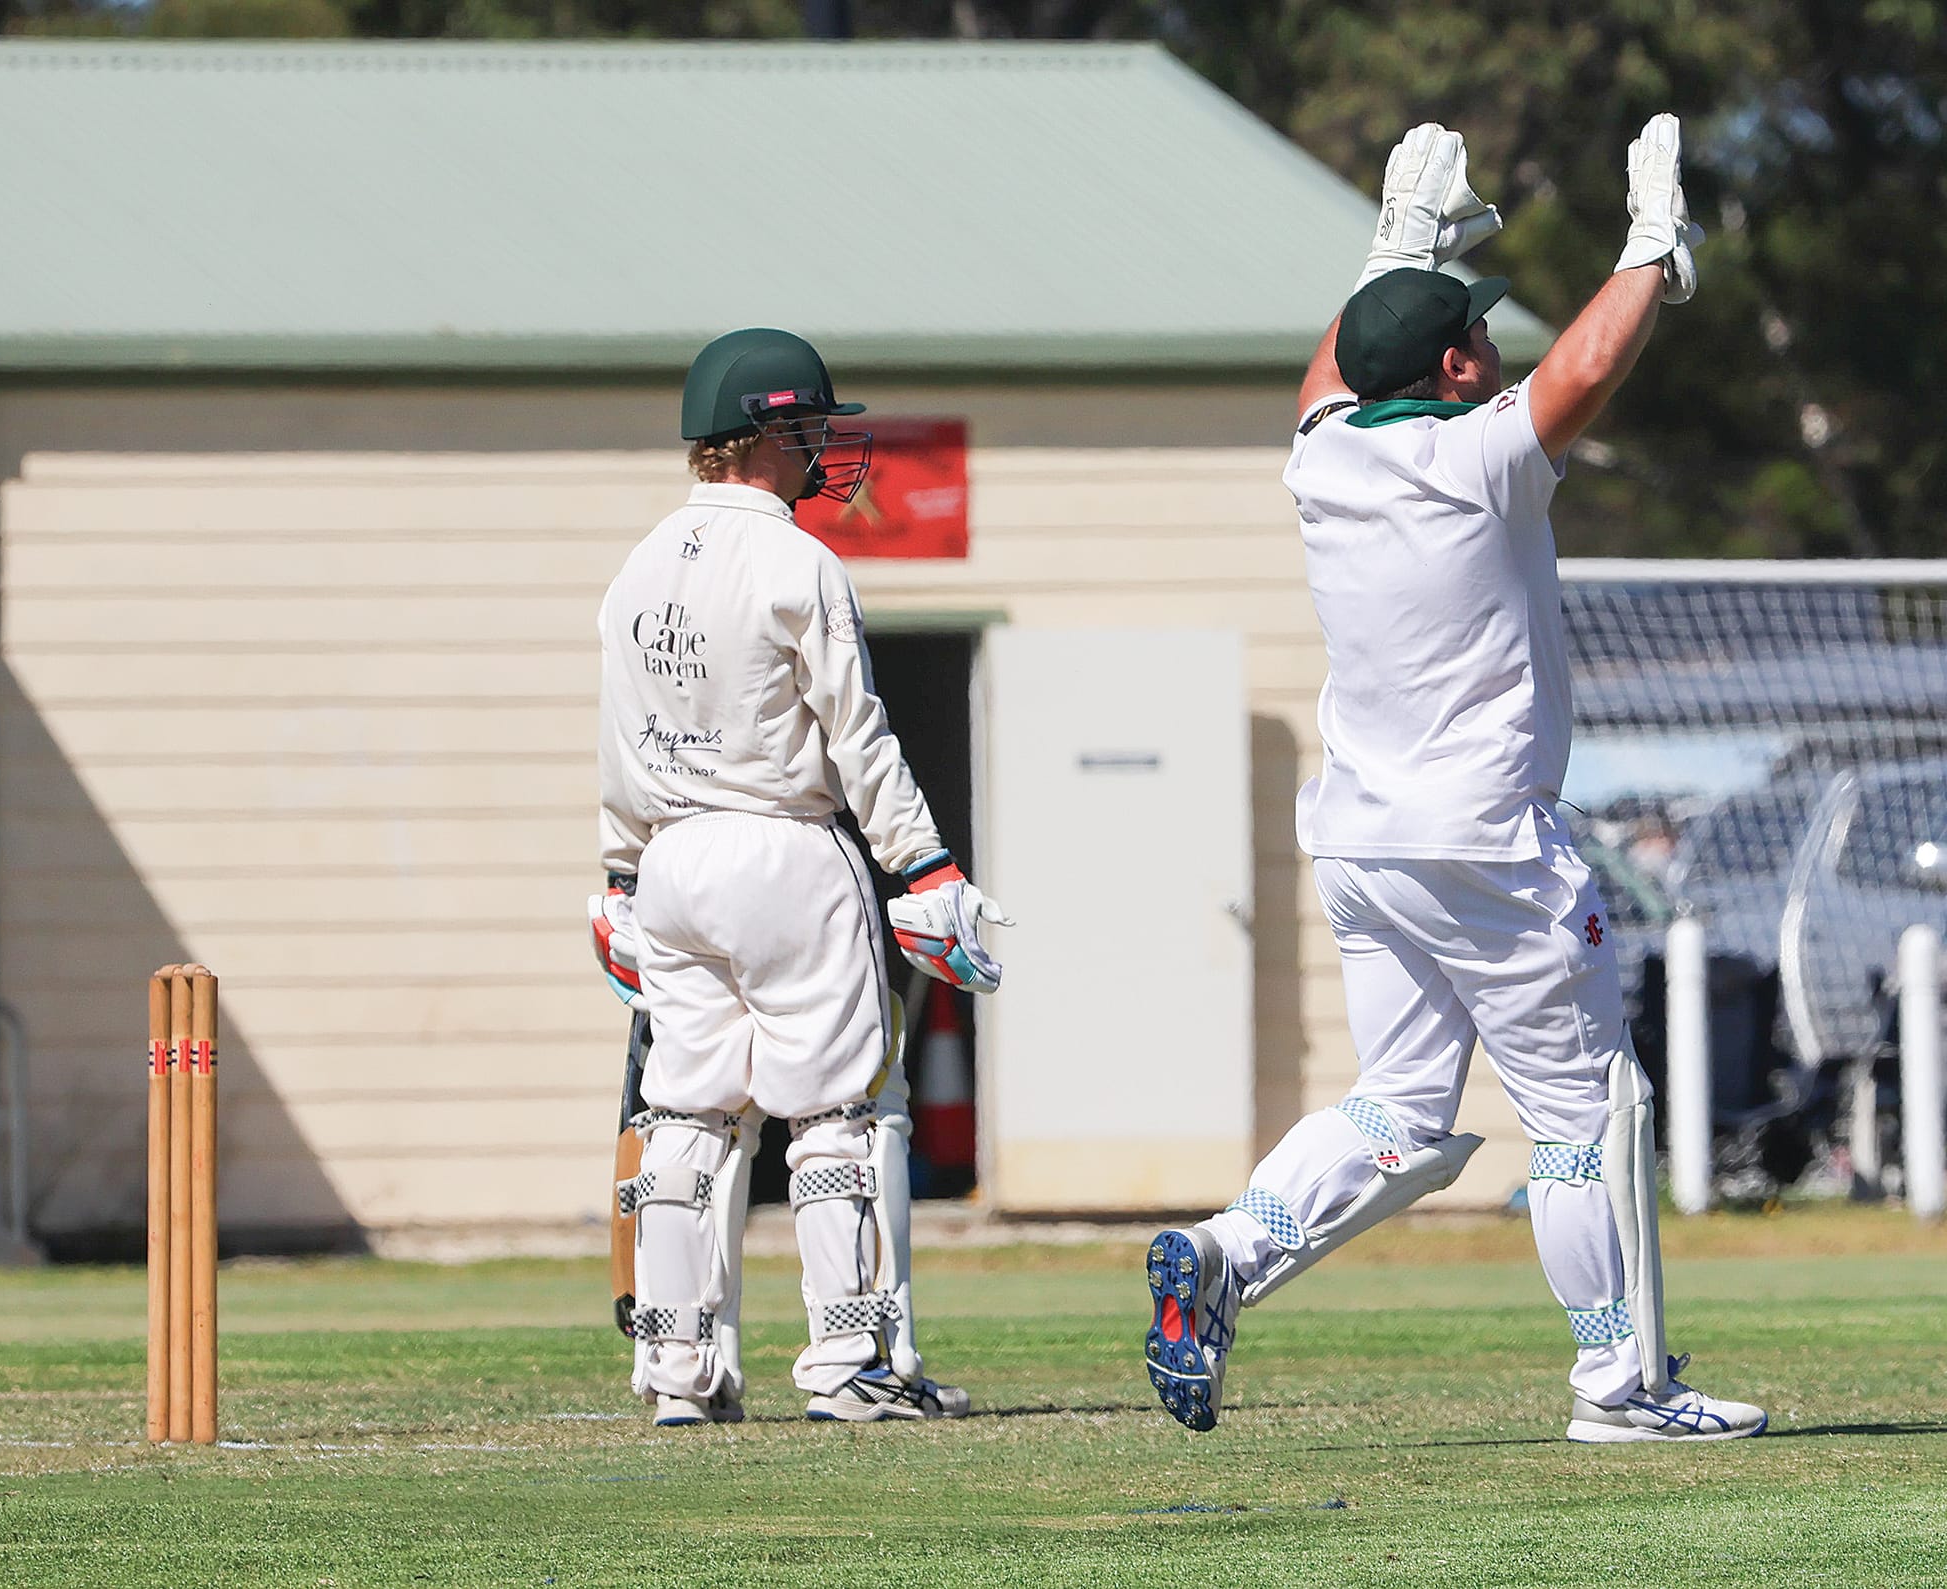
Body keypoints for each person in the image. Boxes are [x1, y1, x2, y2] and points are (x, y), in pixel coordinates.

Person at [1144, 118, 1767, 1444]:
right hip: (1488, 848)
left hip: (1369, 849)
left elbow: (1332, 364)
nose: (1497, 350)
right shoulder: (1477, 460)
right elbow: (1588, 364)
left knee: (1403, 1110)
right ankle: (1622, 1382)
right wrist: (1652, 247)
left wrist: (1396, 237)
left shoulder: (1322, 458)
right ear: (1451, 365)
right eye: (1477, 335)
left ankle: (1221, 1254)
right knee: (1585, 1110)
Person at [589, 327, 1010, 1426]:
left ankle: (677, 1375)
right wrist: (923, 864)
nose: (824, 445)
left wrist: (621, 878)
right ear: (764, 433)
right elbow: (857, 732)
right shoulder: (796, 562)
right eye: (809, 426)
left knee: (687, 1113)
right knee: (846, 1111)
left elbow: (617, 739)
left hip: (671, 861)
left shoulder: (635, 567)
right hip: (783, 846)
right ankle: (853, 1364)